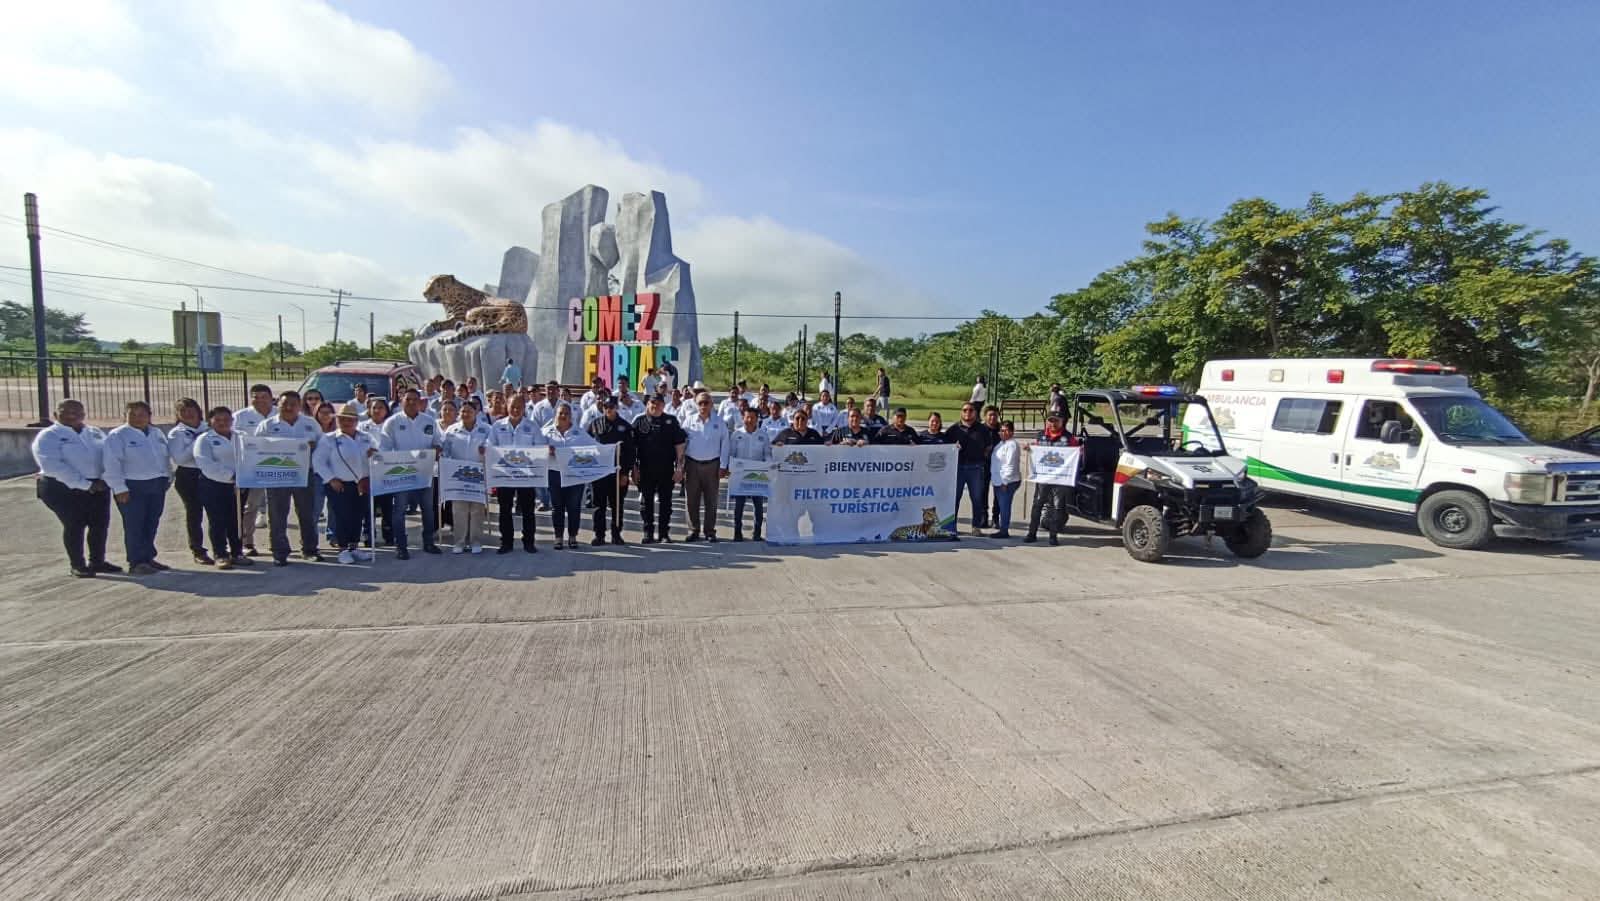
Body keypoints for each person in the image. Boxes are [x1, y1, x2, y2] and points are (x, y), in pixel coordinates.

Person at [32, 399, 116, 578]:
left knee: (99, 524)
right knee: (74, 524)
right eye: (66, 411)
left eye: (77, 411)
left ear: (84, 413)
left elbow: (109, 456)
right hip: (62, 487)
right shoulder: (48, 436)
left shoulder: (94, 432)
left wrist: (105, 478)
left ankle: (97, 561)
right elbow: (54, 466)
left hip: (98, 485)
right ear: (56, 414)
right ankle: (77, 564)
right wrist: (86, 485)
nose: (72, 415)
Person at [102, 400, 173, 575]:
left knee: (151, 522)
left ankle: (148, 557)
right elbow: (111, 463)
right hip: (132, 485)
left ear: (149, 416)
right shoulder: (118, 435)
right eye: (132, 414)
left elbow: (164, 457)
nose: (137, 418)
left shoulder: (156, 433)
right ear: (124, 416)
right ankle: (136, 561)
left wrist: (168, 476)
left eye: (142, 414)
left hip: (157, 483)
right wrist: (119, 488)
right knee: (135, 524)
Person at [256, 390, 323, 566]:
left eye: (293, 404)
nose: (288, 407)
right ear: (277, 404)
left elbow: (323, 446)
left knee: (307, 513)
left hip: (304, 474)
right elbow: (256, 449)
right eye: (284, 403)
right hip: (277, 475)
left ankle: (309, 549)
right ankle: (279, 552)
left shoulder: (310, 424)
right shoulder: (267, 425)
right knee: (277, 515)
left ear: (300, 406)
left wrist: (313, 447)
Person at [380, 389, 443, 559]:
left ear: (420, 402)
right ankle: (401, 546)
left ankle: (428, 542)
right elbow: (384, 447)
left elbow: (438, 441)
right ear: (402, 401)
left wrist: (437, 448)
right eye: (408, 399)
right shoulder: (392, 422)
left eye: (415, 399)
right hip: (402, 474)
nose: (412, 402)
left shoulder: (429, 421)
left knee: (428, 509)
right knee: (399, 510)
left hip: (425, 473)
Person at [315, 403, 376, 564]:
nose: (346, 422)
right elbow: (318, 462)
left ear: (356, 421)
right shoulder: (329, 439)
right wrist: (331, 479)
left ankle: (354, 547)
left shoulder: (366, 437)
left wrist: (374, 454)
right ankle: (342, 549)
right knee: (342, 517)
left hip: (361, 483)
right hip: (339, 484)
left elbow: (377, 455)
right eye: (342, 419)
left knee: (358, 515)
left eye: (350, 419)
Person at [193, 406, 253, 570]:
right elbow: (205, 463)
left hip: (239, 485)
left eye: (226, 419)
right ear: (210, 421)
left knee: (236, 520)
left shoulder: (242, 437)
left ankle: (237, 553)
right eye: (218, 420)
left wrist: (244, 477)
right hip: (213, 485)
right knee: (217, 520)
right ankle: (220, 554)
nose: (222, 423)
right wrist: (231, 476)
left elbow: (252, 456)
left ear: (232, 421)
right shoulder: (204, 439)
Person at [490, 396, 543, 554]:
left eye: (519, 407)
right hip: (504, 475)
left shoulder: (532, 426)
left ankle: (529, 542)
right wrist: (484, 449)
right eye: (512, 406)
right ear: (507, 406)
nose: (515, 410)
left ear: (524, 408)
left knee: (528, 510)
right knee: (505, 510)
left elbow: (540, 447)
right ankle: (506, 542)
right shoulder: (497, 426)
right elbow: (490, 445)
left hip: (526, 475)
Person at [631, 393, 686, 543]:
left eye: (659, 403)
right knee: (646, 502)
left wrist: (679, 468)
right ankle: (648, 533)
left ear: (663, 405)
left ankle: (663, 533)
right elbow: (632, 447)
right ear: (647, 404)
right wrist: (634, 469)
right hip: (645, 468)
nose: (655, 406)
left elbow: (680, 445)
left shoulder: (671, 421)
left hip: (666, 469)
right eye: (652, 403)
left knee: (666, 503)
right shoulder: (639, 421)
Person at [442, 399, 492, 554]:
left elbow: (492, 446)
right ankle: (460, 541)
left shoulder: (486, 429)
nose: (466, 414)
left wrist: (486, 449)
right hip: (458, 476)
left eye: (469, 411)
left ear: (476, 412)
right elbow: (446, 450)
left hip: (479, 475)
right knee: (459, 510)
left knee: (477, 510)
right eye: (463, 411)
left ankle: (476, 541)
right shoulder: (452, 430)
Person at [543, 403, 595, 549]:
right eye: (560, 413)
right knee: (557, 507)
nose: (563, 416)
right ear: (556, 415)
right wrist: (545, 449)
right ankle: (558, 537)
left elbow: (595, 447)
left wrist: (612, 449)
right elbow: (535, 447)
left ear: (571, 416)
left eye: (566, 413)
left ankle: (572, 536)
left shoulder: (579, 433)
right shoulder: (546, 432)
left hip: (575, 475)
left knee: (574, 507)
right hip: (554, 473)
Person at [681, 391, 731, 542]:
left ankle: (710, 531)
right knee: (691, 500)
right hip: (692, 464)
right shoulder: (689, 421)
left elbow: (725, 444)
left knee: (711, 500)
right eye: (700, 403)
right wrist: (680, 465)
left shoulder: (719, 422)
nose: (703, 406)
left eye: (706, 403)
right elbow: (682, 444)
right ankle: (693, 530)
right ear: (696, 405)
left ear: (711, 404)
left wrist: (723, 466)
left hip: (712, 465)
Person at [233, 383, 275, 555]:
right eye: (255, 397)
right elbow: (233, 439)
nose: (260, 400)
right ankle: (247, 542)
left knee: (277, 507)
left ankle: (277, 542)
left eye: (264, 397)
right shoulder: (240, 416)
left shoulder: (280, 414)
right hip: (252, 468)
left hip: (277, 467)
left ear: (271, 398)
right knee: (251, 506)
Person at [587, 397, 636, 545]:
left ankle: (616, 534)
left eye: (611, 406)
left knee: (617, 505)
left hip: (617, 472)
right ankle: (599, 535)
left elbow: (630, 452)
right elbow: (586, 445)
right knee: (598, 505)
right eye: (606, 406)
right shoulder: (595, 424)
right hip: (599, 472)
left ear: (616, 408)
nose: (608, 409)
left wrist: (625, 473)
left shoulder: (625, 427)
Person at [167, 398, 210, 565]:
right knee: (194, 513)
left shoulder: (209, 427)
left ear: (198, 410)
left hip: (211, 473)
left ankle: (221, 548)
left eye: (191, 409)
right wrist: (198, 442)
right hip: (189, 475)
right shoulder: (177, 433)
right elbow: (180, 458)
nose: (188, 413)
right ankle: (198, 550)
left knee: (217, 513)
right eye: (182, 411)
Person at [1025, 415, 1078, 545]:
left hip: (1060, 479)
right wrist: (1030, 448)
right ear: (1047, 421)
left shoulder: (1069, 438)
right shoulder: (1041, 435)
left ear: (1062, 421)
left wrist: (1079, 451)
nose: (1053, 423)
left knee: (1057, 507)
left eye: (1056, 420)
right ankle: (1032, 533)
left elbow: (1076, 453)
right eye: (1050, 420)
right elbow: (1036, 449)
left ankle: (1053, 536)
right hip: (1043, 478)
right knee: (1037, 504)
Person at [947, 402, 993, 534]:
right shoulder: (953, 429)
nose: (968, 412)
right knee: (955, 498)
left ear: (975, 413)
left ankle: (976, 527)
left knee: (977, 499)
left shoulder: (982, 429)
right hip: (958, 468)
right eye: (965, 410)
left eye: (971, 410)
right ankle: (951, 527)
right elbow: (945, 447)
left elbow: (989, 446)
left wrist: (981, 456)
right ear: (961, 412)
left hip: (976, 468)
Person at [729, 406, 771, 542]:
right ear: (743, 418)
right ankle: (737, 533)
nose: (749, 420)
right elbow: (732, 454)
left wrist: (768, 466)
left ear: (757, 419)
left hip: (757, 475)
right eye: (747, 417)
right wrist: (731, 468)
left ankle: (757, 533)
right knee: (739, 506)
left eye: (752, 418)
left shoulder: (763, 435)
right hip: (740, 475)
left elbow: (767, 454)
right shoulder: (736, 434)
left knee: (758, 506)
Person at [361, 397, 395, 546]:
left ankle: (389, 534)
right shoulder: (362, 426)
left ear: (386, 410)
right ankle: (369, 535)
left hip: (386, 472)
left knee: (387, 507)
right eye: (374, 407)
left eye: (380, 407)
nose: (377, 410)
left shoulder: (391, 426)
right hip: (368, 472)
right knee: (369, 507)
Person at [311, 401, 339, 547]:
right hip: (316, 474)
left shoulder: (338, 431)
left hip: (335, 473)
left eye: (329, 412)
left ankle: (333, 536)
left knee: (334, 507)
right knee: (315, 507)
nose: (326, 415)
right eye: (322, 412)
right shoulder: (311, 430)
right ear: (317, 414)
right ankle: (311, 538)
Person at [989, 420, 1022, 539]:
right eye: (1002, 430)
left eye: (1006, 430)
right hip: (998, 480)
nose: (1003, 433)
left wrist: (1005, 482)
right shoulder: (1001, 443)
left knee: (1004, 506)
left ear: (1012, 432)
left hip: (1007, 481)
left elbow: (1010, 465)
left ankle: (1004, 530)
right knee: (1002, 506)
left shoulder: (1012, 445)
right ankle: (1003, 528)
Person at [982, 405, 1004, 527]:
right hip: (984, 464)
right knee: (982, 491)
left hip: (999, 466)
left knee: (999, 492)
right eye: (990, 415)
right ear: (985, 416)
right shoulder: (980, 429)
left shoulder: (1002, 430)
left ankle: (996, 517)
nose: (992, 418)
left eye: (995, 415)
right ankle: (983, 517)